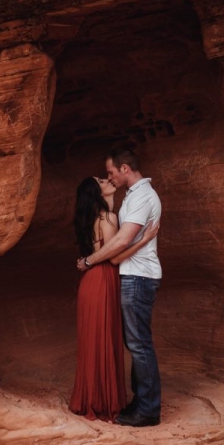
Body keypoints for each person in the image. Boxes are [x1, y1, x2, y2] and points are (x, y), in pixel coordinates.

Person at [76, 148, 162, 427]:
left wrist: (88, 261)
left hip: (135, 276)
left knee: (136, 344)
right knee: (132, 343)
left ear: (125, 168)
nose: (109, 178)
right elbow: (115, 250)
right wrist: (144, 238)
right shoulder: (120, 207)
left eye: (110, 173)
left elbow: (119, 246)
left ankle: (146, 409)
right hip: (117, 277)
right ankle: (139, 403)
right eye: (104, 179)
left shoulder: (140, 198)